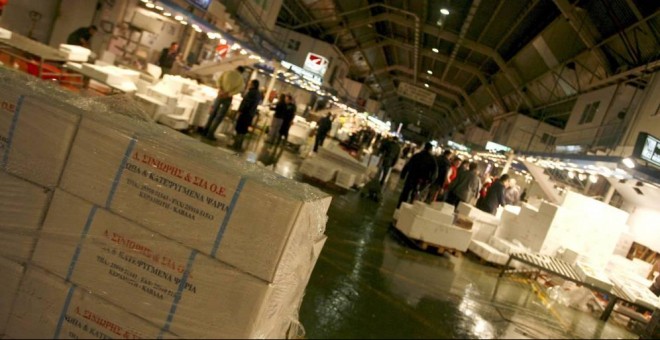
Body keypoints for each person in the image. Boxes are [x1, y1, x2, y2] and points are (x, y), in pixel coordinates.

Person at [204, 66, 245, 140]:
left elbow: (219, 80)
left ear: (236, 68)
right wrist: (228, 94)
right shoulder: (241, 79)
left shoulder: (227, 72)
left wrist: (220, 89)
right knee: (219, 116)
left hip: (220, 94)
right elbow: (238, 89)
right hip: (228, 97)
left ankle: (205, 130)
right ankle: (210, 133)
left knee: (213, 113)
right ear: (242, 72)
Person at [397, 142, 438, 208]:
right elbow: (435, 172)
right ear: (431, 149)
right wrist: (430, 180)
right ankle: (411, 207)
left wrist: (403, 174)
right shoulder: (432, 159)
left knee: (405, 192)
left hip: (411, 176)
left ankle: (400, 206)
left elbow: (408, 165)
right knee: (415, 194)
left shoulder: (417, 155)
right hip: (422, 180)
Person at [232, 79, 262, 151]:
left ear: (253, 85)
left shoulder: (251, 92)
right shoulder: (258, 93)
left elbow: (247, 103)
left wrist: (241, 110)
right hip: (250, 114)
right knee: (244, 129)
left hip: (245, 113)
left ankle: (236, 144)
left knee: (239, 128)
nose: (249, 84)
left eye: (250, 83)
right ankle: (239, 144)